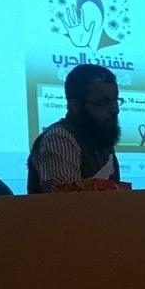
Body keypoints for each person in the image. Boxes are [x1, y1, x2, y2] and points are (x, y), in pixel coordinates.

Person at [27, 64, 122, 193]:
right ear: (75, 106)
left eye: (115, 100)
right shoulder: (59, 139)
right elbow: (68, 201)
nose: (115, 110)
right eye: (103, 102)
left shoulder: (100, 135)